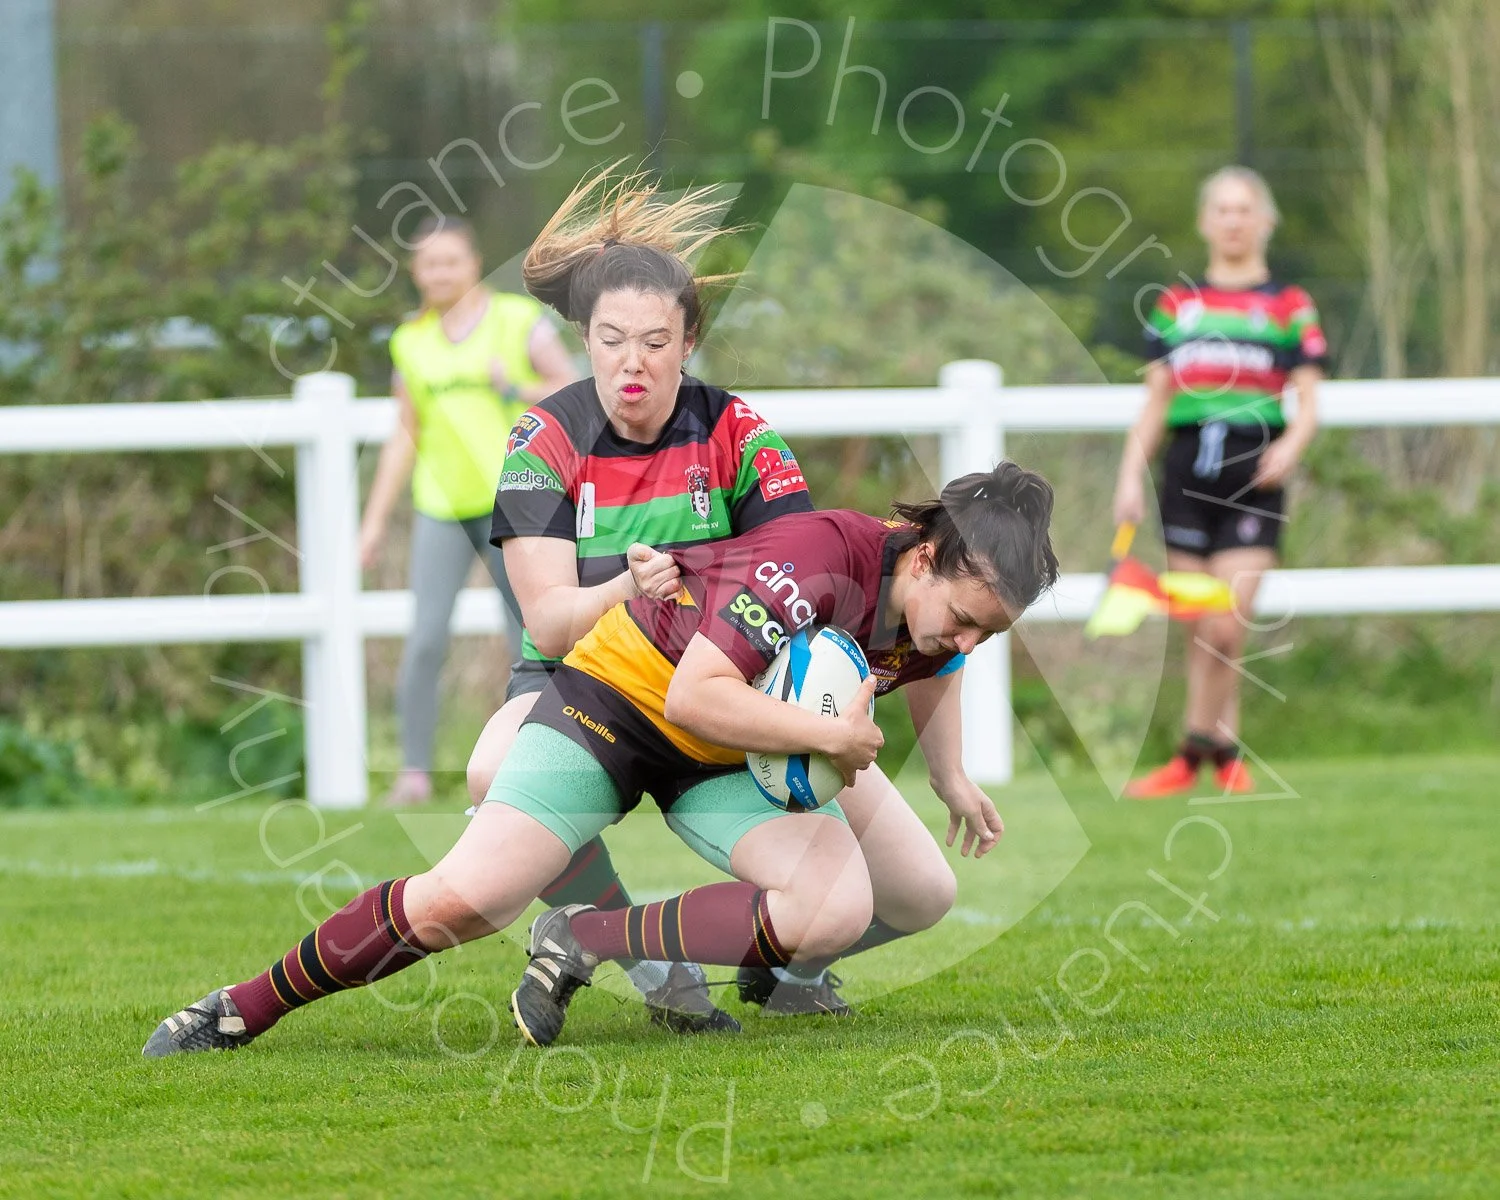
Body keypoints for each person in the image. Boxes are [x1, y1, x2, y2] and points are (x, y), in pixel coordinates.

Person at [141, 463, 1057, 1057]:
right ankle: (241, 1006)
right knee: (467, 901)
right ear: (924, 557)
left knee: (849, 904)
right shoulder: (819, 557)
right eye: (965, 618)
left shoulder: (936, 616)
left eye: (986, 632)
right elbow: (693, 697)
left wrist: (950, 776)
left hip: (729, 755)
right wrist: (826, 736)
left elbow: (935, 666)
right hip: (621, 701)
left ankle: (586, 938)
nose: (966, 641)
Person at [1113, 166, 1325, 798]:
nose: (1234, 221)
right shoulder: (1177, 305)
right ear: (1206, 222)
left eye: (1245, 209)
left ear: (1266, 221)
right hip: (1186, 477)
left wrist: (1291, 445)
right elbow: (1155, 403)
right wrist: (1129, 476)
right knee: (1200, 630)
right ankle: (1225, 752)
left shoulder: (1290, 306)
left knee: (1228, 625)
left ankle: (1190, 751)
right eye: (1223, 210)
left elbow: (1310, 402)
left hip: (1253, 478)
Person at [358, 216, 576, 808]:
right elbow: (405, 433)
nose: (441, 273)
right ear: (416, 272)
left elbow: (573, 388)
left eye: (451, 261)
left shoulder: (516, 321)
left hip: (516, 505)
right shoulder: (410, 342)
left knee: (528, 637)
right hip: (441, 508)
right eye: (430, 264)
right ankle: (414, 773)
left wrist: (515, 387)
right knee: (426, 638)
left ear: (473, 263)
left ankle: (537, 765)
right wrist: (372, 523)